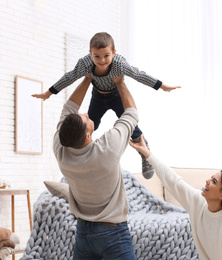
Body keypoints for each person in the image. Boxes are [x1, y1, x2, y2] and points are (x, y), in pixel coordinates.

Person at [33, 32, 181, 179]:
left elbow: (138, 74)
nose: (102, 60)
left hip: (116, 95)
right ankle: (79, 160)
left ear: (113, 53)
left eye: (106, 56)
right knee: (89, 127)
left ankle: (143, 149)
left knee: (131, 126)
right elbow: (70, 77)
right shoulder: (85, 64)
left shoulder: (119, 64)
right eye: (96, 56)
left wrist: (162, 86)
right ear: (90, 53)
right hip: (98, 97)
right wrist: (49, 93)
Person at [129, 135, 222, 260]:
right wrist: (146, 152)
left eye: (214, 181)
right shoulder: (199, 202)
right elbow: (173, 181)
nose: (207, 181)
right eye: (211, 177)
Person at [53, 74, 137, 260]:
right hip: (113, 233)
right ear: (87, 136)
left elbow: (69, 108)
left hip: (84, 233)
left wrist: (87, 78)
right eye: (84, 118)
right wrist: (120, 83)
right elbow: (131, 114)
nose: (85, 113)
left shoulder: (61, 150)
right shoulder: (107, 149)